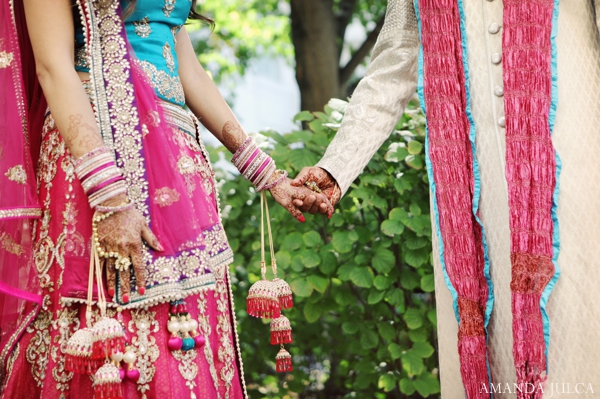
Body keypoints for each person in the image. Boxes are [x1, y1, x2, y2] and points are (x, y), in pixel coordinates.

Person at [0, 0, 331, 397]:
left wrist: (267, 174)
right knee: (111, 340)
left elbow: (181, 60)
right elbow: (53, 68)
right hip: (97, 164)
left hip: (178, 169)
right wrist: (109, 196)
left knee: (184, 340)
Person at [292, 0, 600, 397]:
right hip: (475, 206)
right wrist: (335, 167)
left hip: (574, 188)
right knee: (494, 355)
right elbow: (392, 68)